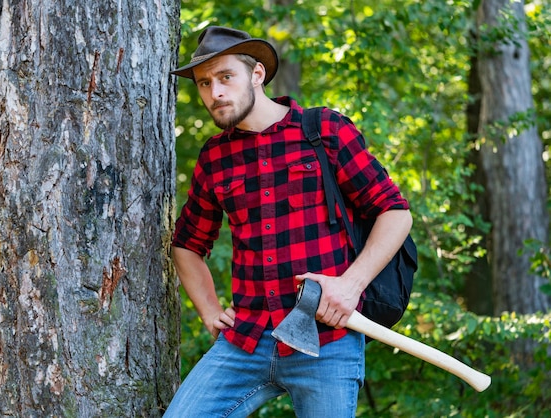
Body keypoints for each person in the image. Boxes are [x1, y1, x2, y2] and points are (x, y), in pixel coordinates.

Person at [165, 25, 412, 417]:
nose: (216, 93)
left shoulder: (324, 131)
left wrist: (350, 287)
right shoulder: (215, 158)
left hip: (327, 342)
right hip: (244, 341)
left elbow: (395, 212)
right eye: (204, 83)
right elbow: (187, 245)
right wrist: (210, 311)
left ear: (257, 74)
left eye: (226, 77)